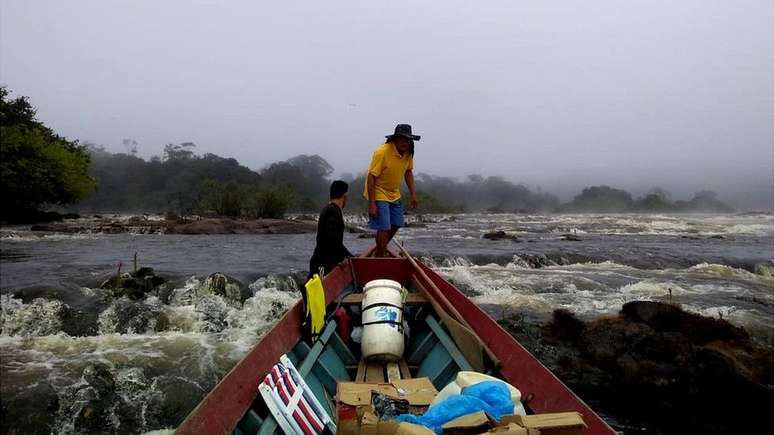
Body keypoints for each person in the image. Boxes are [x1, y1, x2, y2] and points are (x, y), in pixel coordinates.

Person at [363, 124, 420, 257]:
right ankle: (380, 257)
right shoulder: (382, 152)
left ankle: (379, 249)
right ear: (395, 139)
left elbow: (408, 172)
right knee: (384, 226)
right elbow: (371, 177)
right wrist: (372, 204)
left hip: (394, 192)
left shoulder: (408, 152)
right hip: (378, 190)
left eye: (407, 139)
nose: (404, 142)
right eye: (401, 139)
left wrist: (413, 194)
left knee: (397, 223)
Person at [308, 180, 353, 280]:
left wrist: (350, 257)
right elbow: (331, 239)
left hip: (319, 262)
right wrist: (343, 258)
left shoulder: (328, 209)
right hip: (323, 265)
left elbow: (335, 241)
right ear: (345, 195)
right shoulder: (334, 211)